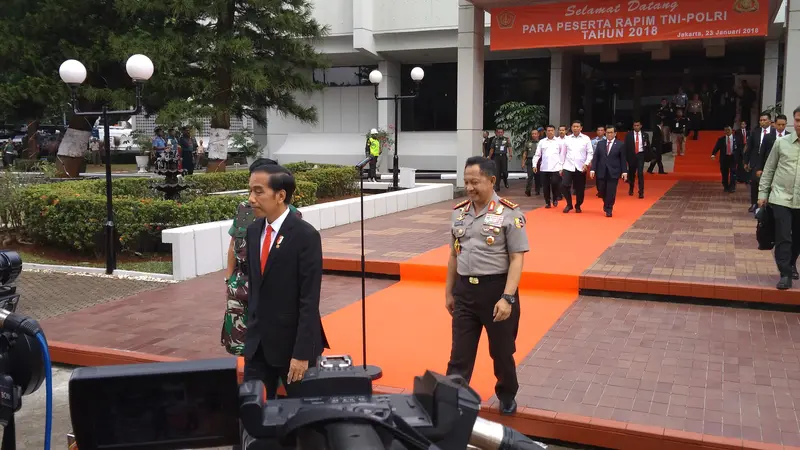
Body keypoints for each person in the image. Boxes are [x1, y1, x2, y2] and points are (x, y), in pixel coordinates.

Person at [445, 156, 529, 415]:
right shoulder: (459, 212)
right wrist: (449, 291)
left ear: (491, 181)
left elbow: (517, 258)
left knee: (502, 352)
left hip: (496, 292)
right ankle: (452, 400)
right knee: (460, 353)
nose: (469, 188)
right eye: (466, 182)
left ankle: (506, 393)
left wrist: (508, 297)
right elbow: (453, 255)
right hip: (465, 292)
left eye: (475, 182)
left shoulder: (510, 213)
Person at [243, 163, 328, 398]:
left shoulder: (305, 236)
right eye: (250, 190)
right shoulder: (252, 231)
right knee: (252, 413)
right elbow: (255, 290)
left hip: (293, 348)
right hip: (258, 347)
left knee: (304, 417)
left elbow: (309, 300)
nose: (251, 199)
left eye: (258, 191)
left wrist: (302, 354)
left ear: (281, 195)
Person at [758, 106, 800, 290]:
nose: (799, 124)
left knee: (797, 238)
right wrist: (762, 194)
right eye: (797, 120)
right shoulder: (781, 143)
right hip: (781, 197)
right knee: (783, 236)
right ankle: (785, 273)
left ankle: (791, 263)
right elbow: (769, 170)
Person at [590, 125, 628, 218]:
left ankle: (609, 208)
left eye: (611, 132)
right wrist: (592, 169)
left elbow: (623, 159)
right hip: (601, 171)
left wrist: (624, 171)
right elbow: (596, 158)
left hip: (613, 171)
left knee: (611, 191)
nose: (609, 134)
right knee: (601, 190)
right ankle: (606, 202)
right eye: (607, 132)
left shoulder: (620, 144)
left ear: (615, 134)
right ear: (605, 133)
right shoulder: (600, 144)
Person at [560, 120, 593, 213]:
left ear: (581, 128)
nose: (575, 128)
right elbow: (563, 154)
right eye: (574, 126)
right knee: (563, 185)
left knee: (580, 189)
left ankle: (578, 205)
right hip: (568, 166)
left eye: (577, 126)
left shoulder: (586, 139)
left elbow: (590, 152)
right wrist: (560, 167)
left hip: (581, 167)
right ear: (571, 128)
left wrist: (586, 163)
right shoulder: (567, 139)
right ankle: (569, 204)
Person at [747, 113, 777, 213]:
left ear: (769, 121)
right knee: (754, 183)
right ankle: (754, 203)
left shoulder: (774, 132)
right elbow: (749, 147)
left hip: (770, 160)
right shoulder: (755, 132)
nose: (762, 122)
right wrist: (746, 162)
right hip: (756, 160)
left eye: (764, 120)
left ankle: (767, 204)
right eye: (760, 120)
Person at [532, 125, 563, 209]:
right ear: (546, 131)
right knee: (545, 186)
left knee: (555, 183)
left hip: (556, 167)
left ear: (554, 131)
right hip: (544, 167)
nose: (550, 132)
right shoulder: (542, 142)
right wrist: (534, 165)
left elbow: (562, 155)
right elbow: (537, 154)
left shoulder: (559, 142)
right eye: (548, 130)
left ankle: (555, 198)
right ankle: (547, 202)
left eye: (552, 130)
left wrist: (561, 167)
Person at [624, 120, 651, 199]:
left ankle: (641, 192)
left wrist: (649, 156)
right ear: (633, 126)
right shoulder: (628, 135)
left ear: (641, 126)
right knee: (632, 174)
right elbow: (626, 147)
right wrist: (625, 158)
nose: (636, 127)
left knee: (640, 173)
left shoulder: (645, 135)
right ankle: (631, 187)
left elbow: (647, 146)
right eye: (635, 125)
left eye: (638, 125)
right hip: (631, 156)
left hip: (640, 155)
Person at [711, 126, 739, 193]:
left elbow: (740, 148)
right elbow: (716, 147)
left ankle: (732, 187)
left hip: (733, 158)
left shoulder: (737, 139)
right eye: (726, 130)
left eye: (728, 130)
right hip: (724, 158)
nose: (727, 131)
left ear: (732, 130)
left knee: (733, 173)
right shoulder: (721, 139)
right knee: (724, 173)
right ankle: (726, 186)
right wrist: (713, 154)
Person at [522, 129, 541, 197]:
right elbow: (525, 153)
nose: (534, 135)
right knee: (530, 176)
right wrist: (523, 162)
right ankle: (528, 190)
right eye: (532, 134)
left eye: (535, 134)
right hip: (530, 160)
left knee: (538, 176)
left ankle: (537, 190)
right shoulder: (528, 143)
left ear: (538, 134)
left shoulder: (541, 142)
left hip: (539, 161)